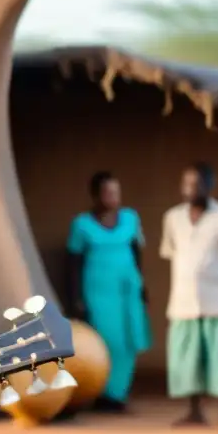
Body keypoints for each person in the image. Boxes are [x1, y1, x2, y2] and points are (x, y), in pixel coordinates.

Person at [160, 162, 218, 429]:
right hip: (184, 301)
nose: (190, 189)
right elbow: (172, 254)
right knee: (188, 359)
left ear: (210, 186)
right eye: (186, 183)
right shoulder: (172, 218)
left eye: (197, 183)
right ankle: (194, 411)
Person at [67, 171, 152, 411]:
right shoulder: (82, 224)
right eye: (107, 192)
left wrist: (142, 284)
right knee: (105, 340)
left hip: (127, 290)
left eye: (116, 192)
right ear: (96, 195)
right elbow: (73, 263)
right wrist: (76, 299)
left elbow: (137, 252)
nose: (113, 197)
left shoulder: (130, 218)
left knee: (127, 341)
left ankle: (118, 394)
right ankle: (102, 393)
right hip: (97, 291)